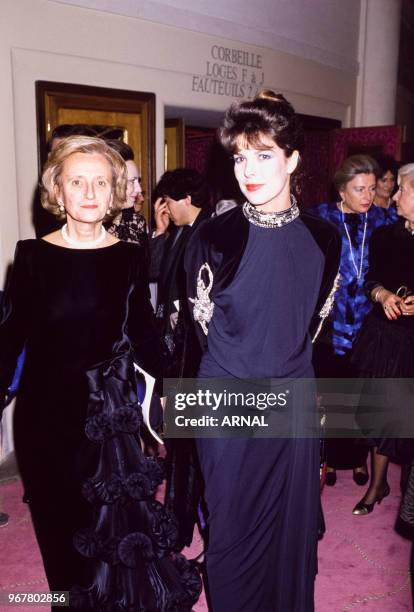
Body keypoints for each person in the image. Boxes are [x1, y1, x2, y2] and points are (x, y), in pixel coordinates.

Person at [0, 136, 201, 610]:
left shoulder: (129, 257)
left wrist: (172, 392)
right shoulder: (30, 257)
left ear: (113, 193)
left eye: (100, 182)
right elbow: (9, 337)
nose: (89, 192)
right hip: (43, 420)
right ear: (57, 190)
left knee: (109, 532)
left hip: (106, 421)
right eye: (76, 181)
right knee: (57, 528)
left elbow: (144, 335)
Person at [184, 90, 341, 611]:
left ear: (293, 159)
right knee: (231, 526)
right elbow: (202, 333)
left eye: (264, 154)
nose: (248, 169)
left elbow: (311, 326)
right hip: (228, 395)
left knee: (288, 527)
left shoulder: (324, 237)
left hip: (294, 393)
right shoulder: (213, 237)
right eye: (239, 156)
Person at [313, 154, 394, 486]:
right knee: (331, 393)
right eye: (359, 189)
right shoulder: (320, 218)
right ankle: (330, 459)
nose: (367, 196)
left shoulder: (383, 220)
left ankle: (357, 459)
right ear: (341, 190)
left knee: (362, 396)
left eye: (372, 189)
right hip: (330, 323)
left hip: (368, 321)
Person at [351, 162, 414, 515]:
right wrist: (384, 296)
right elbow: (371, 279)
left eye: (403, 189)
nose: (394, 194)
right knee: (380, 414)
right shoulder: (385, 236)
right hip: (387, 338)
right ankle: (377, 485)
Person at [105, 140, 148, 248]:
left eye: (138, 181)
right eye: (132, 181)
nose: (138, 189)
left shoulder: (136, 223)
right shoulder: (86, 223)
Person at [373, 154, 399, 223]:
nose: (389, 185)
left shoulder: (398, 205)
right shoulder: (365, 207)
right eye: (384, 180)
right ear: (373, 180)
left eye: (392, 179)